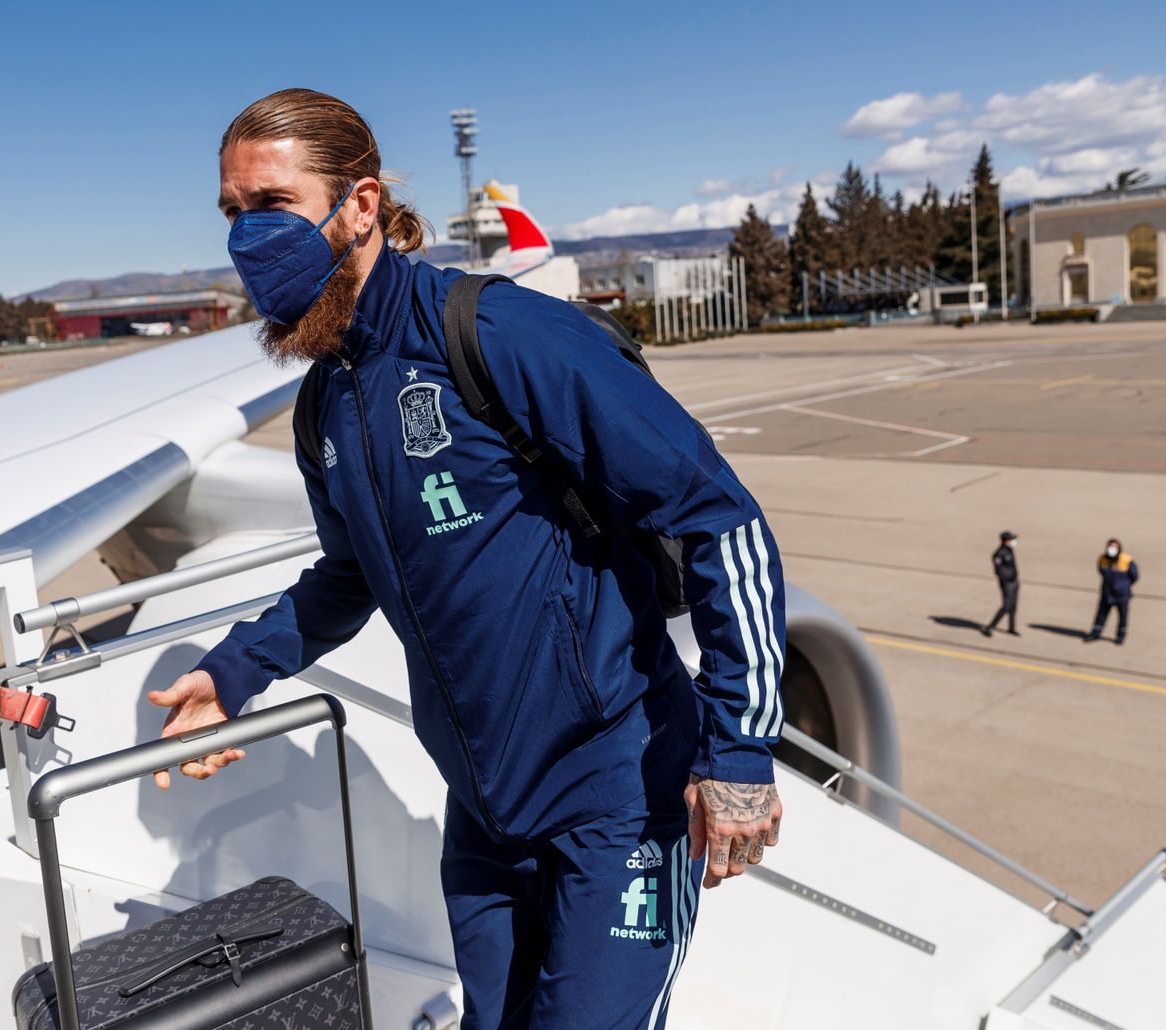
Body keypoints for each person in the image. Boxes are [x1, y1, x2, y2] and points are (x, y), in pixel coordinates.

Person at [147, 88, 784, 1030]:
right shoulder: (327, 405)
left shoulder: (495, 336)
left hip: (618, 796)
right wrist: (236, 671)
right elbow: (350, 576)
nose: (248, 238)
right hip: (485, 816)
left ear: (361, 205)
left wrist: (740, 749)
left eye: (273, 205)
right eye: (233, 212)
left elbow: (719, 516)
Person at [1086, 538, 1139, 644]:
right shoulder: (1102, 559)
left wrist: (1124, 585)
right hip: (1107, 593)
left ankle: (1121, 636)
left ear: (1119, 548)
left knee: (1122, 616)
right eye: (1110, 546)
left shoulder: (1127, 560)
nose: (1112, 549)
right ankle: (1095, 633)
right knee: (1101, 614)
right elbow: (1101, 571)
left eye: (1114, 547)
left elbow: (1134, 576)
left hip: (1122, 594)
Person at [983, 531, 1019, 637]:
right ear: (1005, 541)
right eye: (1011, 539)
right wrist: (1007, 579)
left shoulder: (1009, 550)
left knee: (1013, 607)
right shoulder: (999, 553)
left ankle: (1011, 628)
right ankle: (990, 627)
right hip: (1007, 584)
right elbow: (998, 571)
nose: (1013, 541)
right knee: (1006, 606)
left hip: (1014, 581)